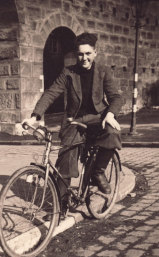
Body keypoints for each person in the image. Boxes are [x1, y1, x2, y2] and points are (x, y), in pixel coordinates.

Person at [23, 32, 123, 216]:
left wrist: (110, 114)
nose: (84, 58)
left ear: (95, 52)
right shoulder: (68, 72)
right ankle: (60, 207)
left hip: (98, 118)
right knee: (66, 159)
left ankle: (98, 172)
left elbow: (116, 97)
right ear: (76, 55)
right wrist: (35, 116)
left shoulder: (103, 71)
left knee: (113, 133)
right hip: (74, 121)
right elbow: (51, 92)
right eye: (80, 54)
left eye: (87, 54)